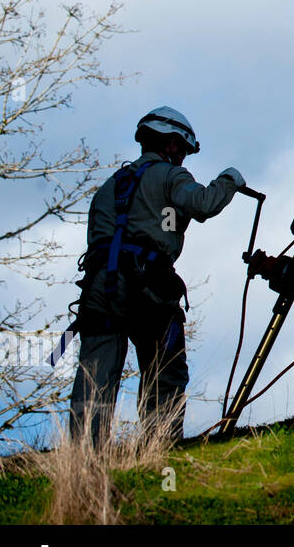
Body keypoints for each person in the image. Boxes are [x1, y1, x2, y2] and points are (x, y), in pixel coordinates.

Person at [69, 106, 245, 446]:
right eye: (183, 151)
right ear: (173, 145)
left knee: (96, 375)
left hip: (100, 290)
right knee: (165, 372)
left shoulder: (109, 187)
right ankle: (159, 449)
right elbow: (204, 203)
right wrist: (229, 180)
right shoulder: (169, 176)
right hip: (149, 288)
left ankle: (83, 458)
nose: (183, 160)